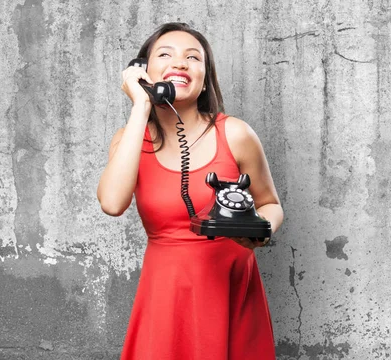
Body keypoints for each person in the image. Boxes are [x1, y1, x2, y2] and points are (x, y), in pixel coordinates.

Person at [97, 22, 283, 360]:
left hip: (231, 287)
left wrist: (261, 231)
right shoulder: (129, 141)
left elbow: (269, 203)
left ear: (204, 76)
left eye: (193, 57)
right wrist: (141, 106)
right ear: (142, 72)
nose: (180, 63)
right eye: (165, 55)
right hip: (166, 293)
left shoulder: (236, 134)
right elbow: (111, 203)